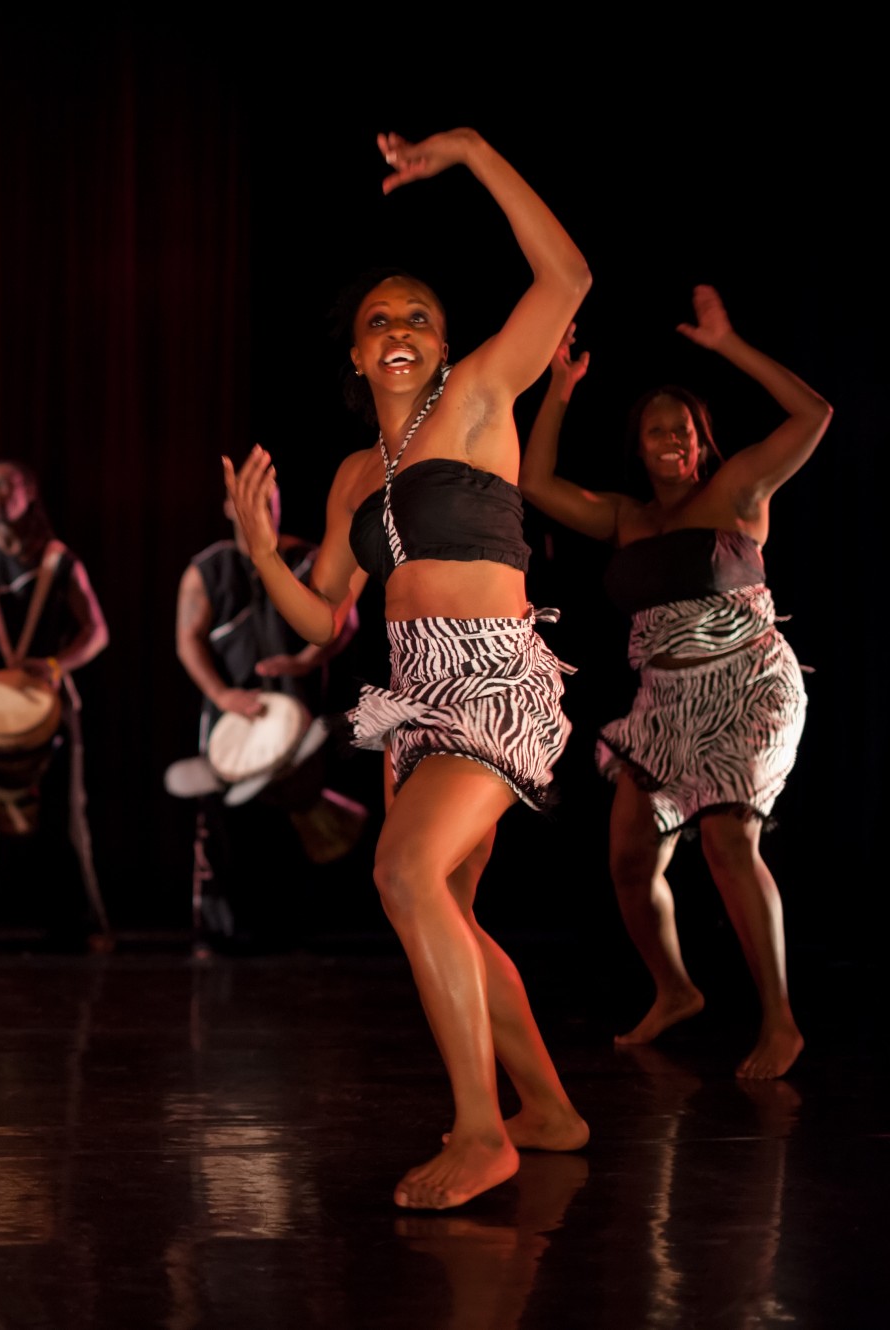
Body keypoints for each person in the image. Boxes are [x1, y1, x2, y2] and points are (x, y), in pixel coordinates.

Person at [223, 129, 592, 1209]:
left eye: (417, 317)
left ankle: (484, 1132)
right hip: (412, 697)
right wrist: (258, 554)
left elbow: (566, 276)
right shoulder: (348, 476)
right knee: (448, 912)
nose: (397, 330)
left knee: (399, 874)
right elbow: (325, 611)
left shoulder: (479, 398)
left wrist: (473, 154)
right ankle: (549, 1108)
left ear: (444, 344)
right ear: (352, 351)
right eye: (378, 319)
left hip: (493, 679)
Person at [519, 292, 827, 1079]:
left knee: (728, 837)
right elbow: (535, 479)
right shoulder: (624, 517)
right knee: (628, 858)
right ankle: (675, 990)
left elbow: (814, 414)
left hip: (749, 686)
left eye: (682, 431)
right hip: (663, 705)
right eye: (656, 431)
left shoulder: (738, 493)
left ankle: (780, 1021)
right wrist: (558, 389)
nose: (670, 441)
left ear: (700, 443)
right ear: (641, 445)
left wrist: (728, 344)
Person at [174, 477, 357, 943]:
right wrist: (221, 696)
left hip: (299, 711)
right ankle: (228, 932)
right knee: (229, 826)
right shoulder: (208, 569)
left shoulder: (308, 559)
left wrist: (307, 660)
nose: (260, 507)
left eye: (268, 498)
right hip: (234, 715)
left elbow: (344, 620)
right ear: (228, 509)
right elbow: (187, 640)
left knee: (298, 813)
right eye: (247, 500)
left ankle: (301, 931)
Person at [0, 459, 112, 945]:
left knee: (64, 817)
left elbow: (97, 630)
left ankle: (78, 925)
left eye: (8, 485)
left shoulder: (57, 560)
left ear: (30, 493)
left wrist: (57, 664)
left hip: (48, 701)